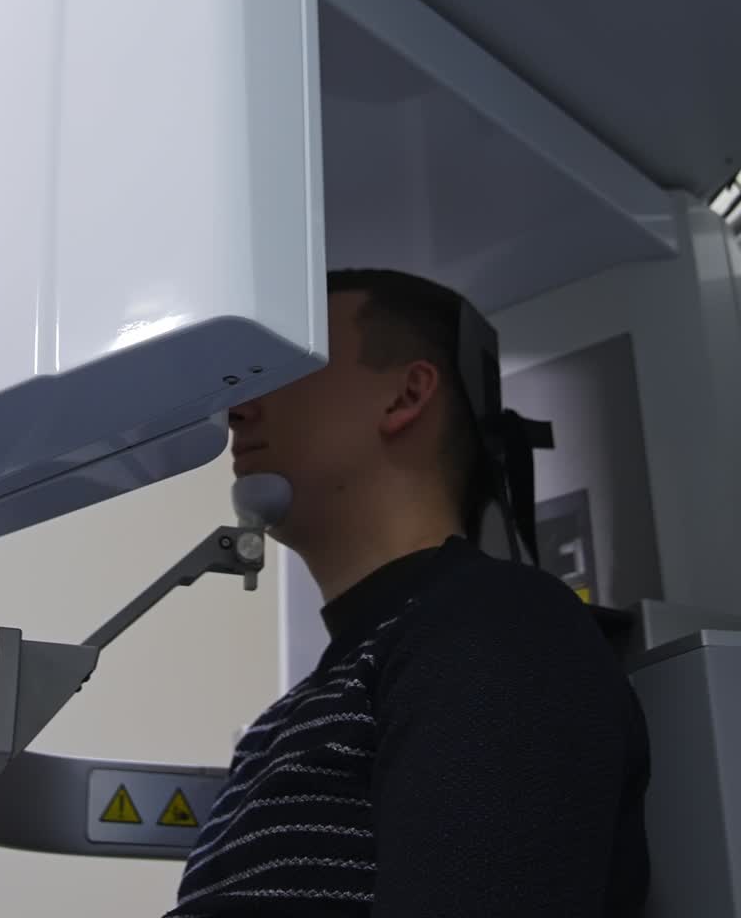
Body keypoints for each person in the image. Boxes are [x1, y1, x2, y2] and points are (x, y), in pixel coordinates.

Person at [167, 269, 650, 916]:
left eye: (285, 369)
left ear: (407, 394)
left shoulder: (501, 631)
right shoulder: (282, 724)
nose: (239, 409)